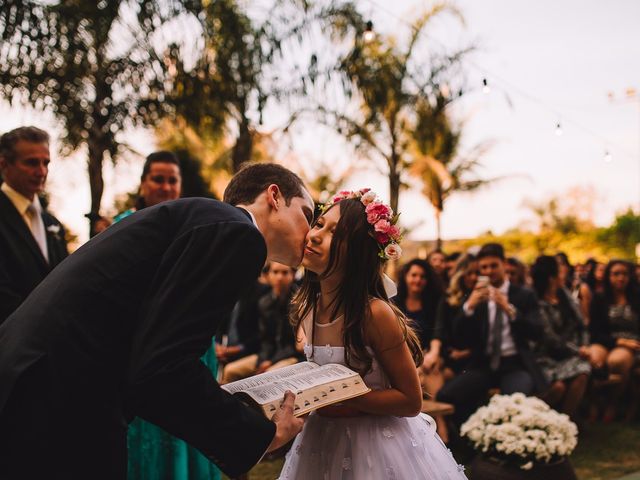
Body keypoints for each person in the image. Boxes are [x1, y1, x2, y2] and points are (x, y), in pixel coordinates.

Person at [0, 163, 313, 479]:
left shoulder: (200, 220)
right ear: (274, 195)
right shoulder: (237, 231)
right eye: (307, 215)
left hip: (34, 383)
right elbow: (164, 368)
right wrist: (262, 435)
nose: (311, 232)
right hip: (58, 404)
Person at [278, 188, 467, 480]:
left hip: (375, 443)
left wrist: (340, 397)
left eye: (334, 234)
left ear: (356, 253)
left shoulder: (374, 314)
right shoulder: (306, 307)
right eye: (319, 224)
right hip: (321, 439)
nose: (314, 235)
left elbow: (410, 399)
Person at [112, 151, 220, 480]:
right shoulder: (123, 227)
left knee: (190, 412)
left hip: (192, 339)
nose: (165, 186)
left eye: (172, 180)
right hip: (141, 341)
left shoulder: (196, 227)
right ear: (143, 184)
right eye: (157, 179)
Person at [436, 243, 546, 426]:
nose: (489, 271)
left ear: (504, 264)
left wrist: (509, 309)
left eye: (494, 265)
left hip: (515, 364)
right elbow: (459, 335)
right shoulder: (477, 296)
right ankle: (471, 443)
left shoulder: (524, 295)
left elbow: (537, 332)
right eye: (484, 267)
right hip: (483, 364)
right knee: (447, 394)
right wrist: (468, 308)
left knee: (514, 403)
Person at [0, 126, 68, 323]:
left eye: (46, 163)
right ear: (4, 164)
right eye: (31, 163)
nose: (41, 171)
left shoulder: (53, 224)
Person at [530, 256, 591, 420]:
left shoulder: (564, 294)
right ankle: (551, 423)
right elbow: (550, 339)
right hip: (545, 357)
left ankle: (566, 420)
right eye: (560, 269)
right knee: (559, 387)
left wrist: (584, 346)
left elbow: (581, 325)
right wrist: (579, 351)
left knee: (582, 373)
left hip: (570, 353)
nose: (564, 271)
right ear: (551, 277)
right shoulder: (537, 302)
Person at [394, 258, 448, 441]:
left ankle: (439, 433)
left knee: (431, 369)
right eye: (414, 275)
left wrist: (432, 353)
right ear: (405, 277)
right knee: (420, 375)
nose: (418, 280)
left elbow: (438, 331)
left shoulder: (434, 302)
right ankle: (441, 432)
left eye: (422, 276)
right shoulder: (395, 301)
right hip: (402, 356)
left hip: (428, 355)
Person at [222, 262, 303, 383]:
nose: (279, 277)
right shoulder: (264, 302)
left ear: (292, 275)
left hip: (292, 355)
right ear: (268, 275)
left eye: (285, 272)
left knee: (269, 374)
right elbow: (265, 340)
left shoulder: (299, 302)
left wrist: (270, 361)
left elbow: (294, 345)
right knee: (230, 370)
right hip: (269, 354)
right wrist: (263, 360)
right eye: (275, 272)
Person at [588, 260, 640, 422]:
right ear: (608, 276)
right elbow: (594, 331)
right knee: (594, 359)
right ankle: (595, 402)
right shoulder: (600, 298)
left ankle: (613, 403)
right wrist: (619, 342)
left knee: (616, 361)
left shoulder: (637, 297)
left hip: (632, 342)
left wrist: (627, 343)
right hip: (607, 340)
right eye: (615, 274)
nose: (620, 278)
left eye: (624, 274)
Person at [435, 254, 477, 378]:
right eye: (469, 273)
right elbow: (440, 328)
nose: (474, 277)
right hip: (451, 355)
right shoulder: (449, 297)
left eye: (477, 273)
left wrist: (466, 353)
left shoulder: (485, 300)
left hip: (474, 359)